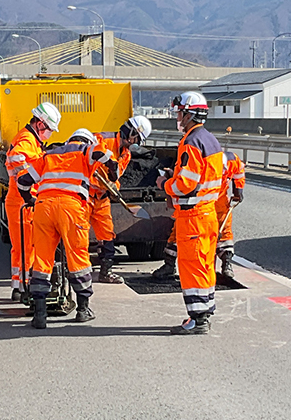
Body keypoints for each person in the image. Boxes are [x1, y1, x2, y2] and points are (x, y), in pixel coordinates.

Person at [17, 128, 118, 329]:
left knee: (42, 259)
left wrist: (30, 199)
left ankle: (39, 314)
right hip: (71, 209)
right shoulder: (84, 150)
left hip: (43, 208)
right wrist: (113, 166)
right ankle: (83, 309)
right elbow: (99, 152)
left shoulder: (48, 155)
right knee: (78, 257)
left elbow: (22, 181)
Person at [156, 92, 223, 335]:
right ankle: (205, 311)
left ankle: (197, 319)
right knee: (205, 265)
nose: (178, 117)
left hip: (192, 217)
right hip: (207, 214)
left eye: (180, 113)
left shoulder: (191, 142)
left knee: (191, 267)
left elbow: (186, 183)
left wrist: (164, 183)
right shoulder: (211, 140)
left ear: (190, 114)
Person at [5, 102, 60, 302]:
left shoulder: (32, 141)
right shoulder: (27, 140)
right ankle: (25, 286)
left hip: (23, 200)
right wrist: (27, 183)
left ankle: (20, 285)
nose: (50, 134)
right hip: (22, 200)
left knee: (25, 247)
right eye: (49, 130)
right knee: (25, 247)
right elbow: (17, 160)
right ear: (39, 124)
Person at [89, 116, 152, 284]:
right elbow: (88, 165)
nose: (136, 143)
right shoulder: (101, 139)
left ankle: (106, 271)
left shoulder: (126, 154)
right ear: (132, 133)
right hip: (85, 195)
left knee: (107, 234)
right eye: (137, 139)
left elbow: (117, 175)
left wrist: (113, 185)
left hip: (101, 198)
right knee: (76, 234)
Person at [216, 151, 245, 278]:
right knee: (183, 232)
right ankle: (170, 264)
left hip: (220, 199)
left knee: (225, 231)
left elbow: (239, 171)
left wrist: (238, 190)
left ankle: (226, 264)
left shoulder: (232, 160)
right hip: (199, 202)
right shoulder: (202, 162)